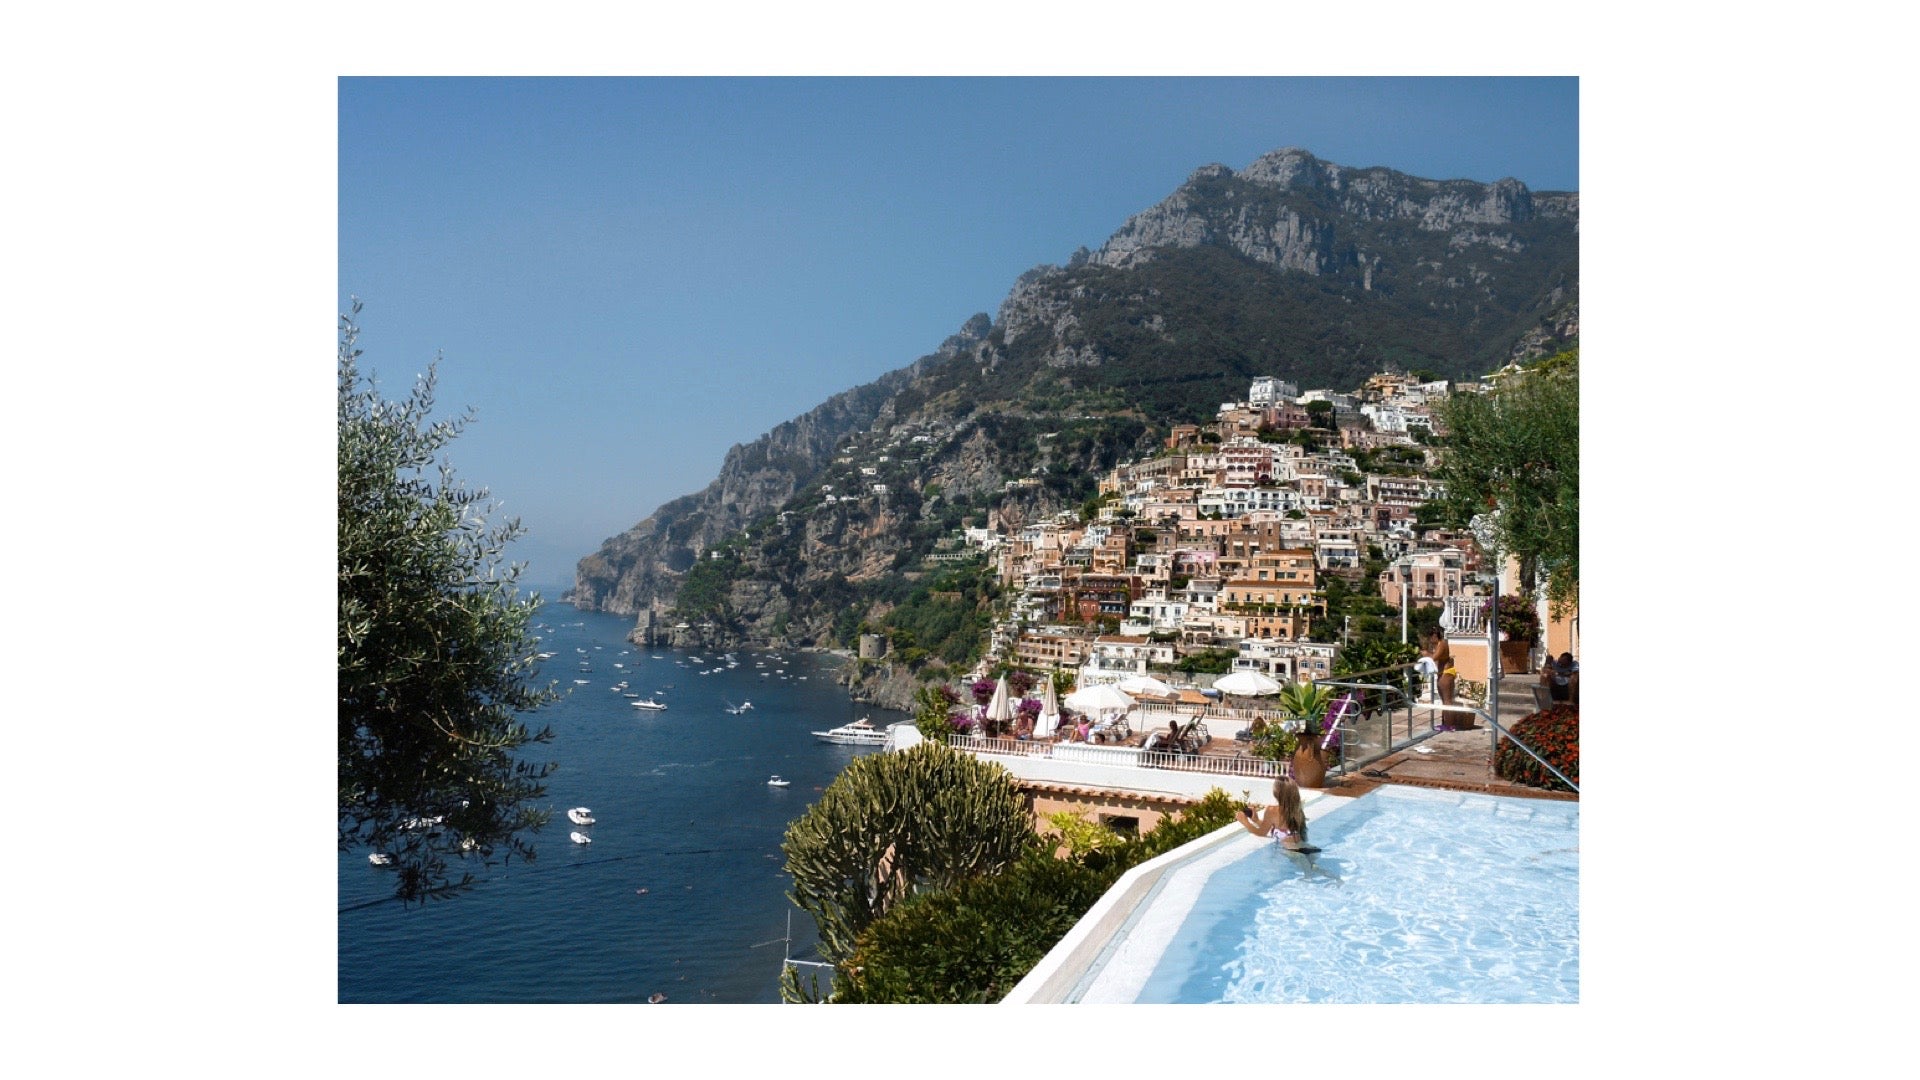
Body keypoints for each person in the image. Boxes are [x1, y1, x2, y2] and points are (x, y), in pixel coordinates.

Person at [1236, 776, 1309, 850]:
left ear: (1276, 793)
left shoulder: (1271, 810)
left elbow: (1261, 833)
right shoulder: (1297, 810)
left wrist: (1245, 822)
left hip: (1290, 850)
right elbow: (1280, 827)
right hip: (1303, 846)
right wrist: (1257, 821)